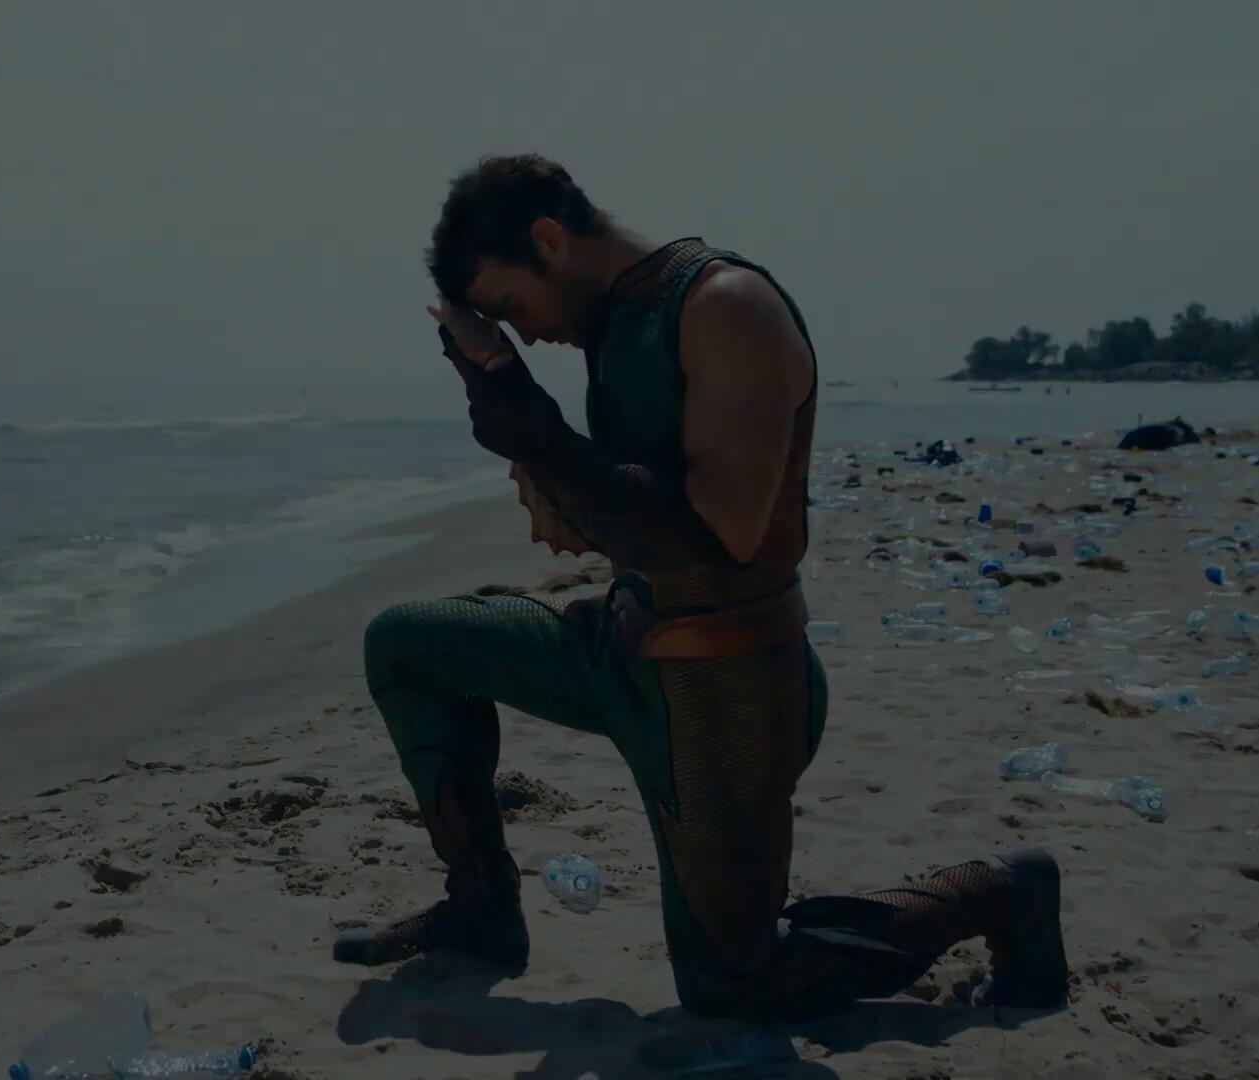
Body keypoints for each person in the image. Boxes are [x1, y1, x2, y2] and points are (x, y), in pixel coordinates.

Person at [331, 154, 1069, 1019]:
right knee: (406, 643)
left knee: (734, 986)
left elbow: (725, 533)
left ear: (549, 241)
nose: (522, 333)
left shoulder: (725, 307)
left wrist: (537, 433)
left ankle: (1000, 891)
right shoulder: (615, 321)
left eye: (512, 304)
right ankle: (482, 910)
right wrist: (503, 403)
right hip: (623, 643)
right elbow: (608, 512)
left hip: (730, 686)